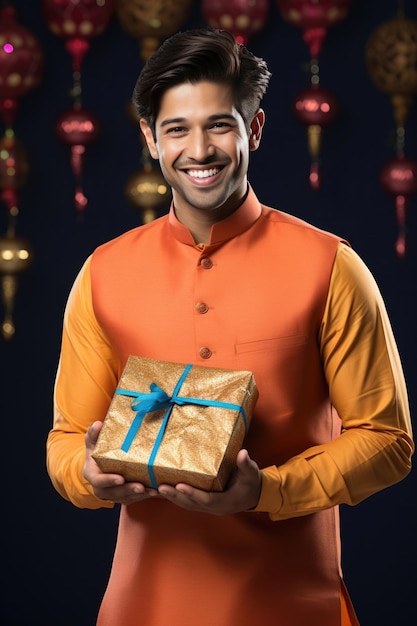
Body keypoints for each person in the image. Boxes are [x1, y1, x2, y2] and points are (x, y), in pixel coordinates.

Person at [47, 28, 413, 626]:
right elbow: (64, 441)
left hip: (294, 605)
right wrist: (88, 476)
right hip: (142, 606)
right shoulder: (102, 274)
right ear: (150, 139)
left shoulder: (331, 266)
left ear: (255, 130)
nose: (200, 149)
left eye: (220, 125)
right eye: (176, 129)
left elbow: (389, 441)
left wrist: (266, 491)